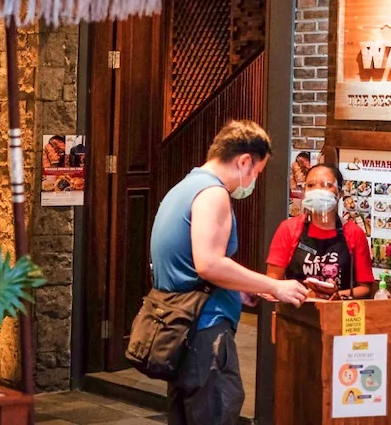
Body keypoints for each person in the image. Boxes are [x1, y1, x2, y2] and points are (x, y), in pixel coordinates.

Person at [150, 120, 308, 425]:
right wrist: (275, 287)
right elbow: (209, 263)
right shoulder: (213, 194)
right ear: (244, 161)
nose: (251, 183)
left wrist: (237, 287)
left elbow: (190, 264)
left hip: (181, 328)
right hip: (205, 333)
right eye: (256, 174)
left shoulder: (185, 187)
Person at [266, 164, 375, 300]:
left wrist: (335, 296)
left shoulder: (354, 233)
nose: (317, 190)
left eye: (326, 185)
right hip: (294, 312)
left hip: (339, 313)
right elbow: (273, 280)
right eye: (311, 185)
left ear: (340, 194)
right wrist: (305, 295)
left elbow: (365, 288)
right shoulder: (289, 228)